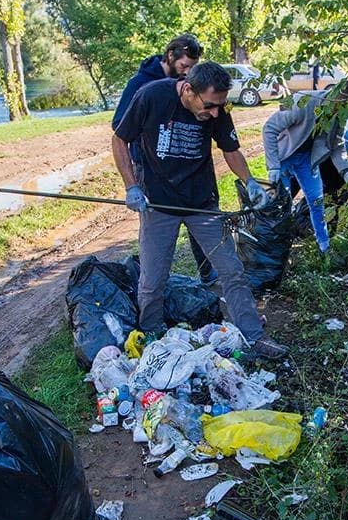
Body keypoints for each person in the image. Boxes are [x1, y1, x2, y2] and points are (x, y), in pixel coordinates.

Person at [112, 60, 288, 360]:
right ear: (188, 89)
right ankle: (151, 338)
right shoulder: (151, 96)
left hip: (202, 204)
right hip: (159, 204)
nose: (215, 112)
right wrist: (131, 186)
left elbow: (230, 150)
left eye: (220, 106)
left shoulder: (217, 109)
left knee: (232, 271)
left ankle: (253, 336)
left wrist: (250, 182)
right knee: (153, 279)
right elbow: (119, 138)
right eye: (209, 105)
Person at [111, 33, 215, 285]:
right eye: (184, 66)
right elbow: (119, 126)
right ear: (171, 56)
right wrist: (133, 183)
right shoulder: (140, 84)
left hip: (184, 162)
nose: (187, 73)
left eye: (192, 68)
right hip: (150, 164)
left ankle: (207, 269)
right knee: (158, 224)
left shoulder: (187, 86)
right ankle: (155, 279)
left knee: (196, 213)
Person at [262, 80, 348, 254]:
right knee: (282, 204)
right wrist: (273, 166)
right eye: (343, 106)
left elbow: (337, 146)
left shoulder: (340, 116)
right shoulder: (304, 102)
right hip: (284, 156)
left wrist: (347, 174)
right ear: (335, 99)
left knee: (317, 202)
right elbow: (269, 128)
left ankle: (324, 246)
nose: (344, 113)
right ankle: (275, 248)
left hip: (307, 159)